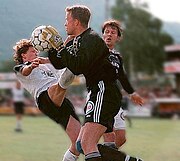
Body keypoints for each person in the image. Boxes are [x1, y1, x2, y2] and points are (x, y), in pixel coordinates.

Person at [39, 5, 144, 161]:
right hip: (100, 92)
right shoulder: (80, 40)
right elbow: (61, 63)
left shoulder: (91, 39)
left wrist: (62, 47)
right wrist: (53, 48)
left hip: (103, 90)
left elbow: (77, 66)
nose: (65, 23)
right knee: (82, 144)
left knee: (88, 143)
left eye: (67, 20)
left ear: (76, 22)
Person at [13, 39, 81, 161]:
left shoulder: (45, 65)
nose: (36, 53)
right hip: (45, 98)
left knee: (79, 143)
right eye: (33, 51)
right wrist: (32, 66)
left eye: (36, 51)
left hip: (61, 101)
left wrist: (47, 60)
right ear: (24, 55)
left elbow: (59, 63)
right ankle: (67, 77)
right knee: (68, 74)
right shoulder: (20, 67)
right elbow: (25, 71)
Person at [101, 19, 145, 149]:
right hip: (100, 98)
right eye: (106, 32)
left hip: (113, 100)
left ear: (118, 38)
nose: (109, 34)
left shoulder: (117, 57)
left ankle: (101, 156)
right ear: (103, 35)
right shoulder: (96, 52)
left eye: (113, 32)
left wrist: (132, 93)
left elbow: (122, 77)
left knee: (120, 139)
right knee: (90, 141)